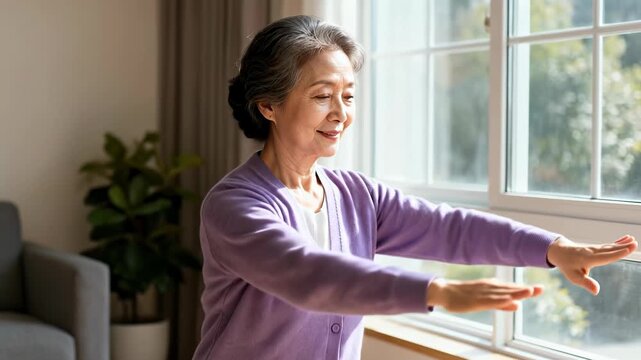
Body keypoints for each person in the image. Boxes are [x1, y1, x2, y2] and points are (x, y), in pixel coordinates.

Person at [192, 15, 637, 360]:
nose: (341, 113)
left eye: (348, 96)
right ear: (268, 105)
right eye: (322, 95)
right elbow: (310, 275)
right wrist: (435, 292)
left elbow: (449, 228)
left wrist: (554, 248)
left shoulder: (356, 196)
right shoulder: (234, 206)